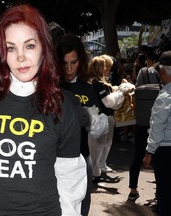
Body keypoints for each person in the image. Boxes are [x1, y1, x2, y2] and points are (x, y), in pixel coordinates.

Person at [0, 4, 87, 216]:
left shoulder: (65, 104)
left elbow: (70, 176)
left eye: (30, 46)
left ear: (44, 47)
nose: (21, 57)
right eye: (11, 48)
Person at [57, 33, 108, 216]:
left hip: (81, 158)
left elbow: (101, 128)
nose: (69, 68)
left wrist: (89, 119)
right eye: (64, 63)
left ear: (81, 60)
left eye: (74, 62)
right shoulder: (49, 87)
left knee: (80, 210)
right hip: (52, 161)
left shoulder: (88, 88)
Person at [88, 56, 133, 183]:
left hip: (103, 117)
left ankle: (97, 171)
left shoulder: (97, 83)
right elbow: (108, 102)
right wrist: (122, 92)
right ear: (100, 68)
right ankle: (95, 173)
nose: (108, 69)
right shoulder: (98, 84)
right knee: (97, 147)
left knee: (103, 145)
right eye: (105, 66)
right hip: (100, 118)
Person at [128, 50, 159, 201]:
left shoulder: (143, 72)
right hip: (160, 124)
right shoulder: (164, 73)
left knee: (137, 156)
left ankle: (133, 190)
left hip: (142, 122)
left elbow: (136, 92)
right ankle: (159, 192)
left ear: (147, 59)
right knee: (161, 160)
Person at [143, 50, 171, 216]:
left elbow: (157, 127)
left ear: (162, 71)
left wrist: (149, 151)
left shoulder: (165, 96)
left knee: (165, 193)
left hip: (165, 150)